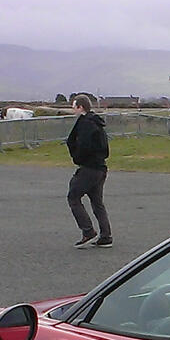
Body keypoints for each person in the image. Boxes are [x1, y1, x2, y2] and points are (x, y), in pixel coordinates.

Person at [67, 95, 112, 248]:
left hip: (89, 168)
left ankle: (88, 231)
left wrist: (78, 158)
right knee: (97, 202)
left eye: (74, 107)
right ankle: (106, 236)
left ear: (80, 107)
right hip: (100, 168)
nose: (73, 110)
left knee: (73, 197)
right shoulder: (97, 123)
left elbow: (83, 146)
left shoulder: (86, 124)